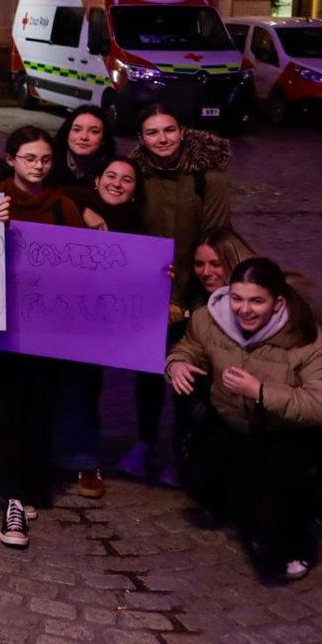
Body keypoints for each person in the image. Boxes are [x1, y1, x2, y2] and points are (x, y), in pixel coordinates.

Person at [167, 257, 322, 580]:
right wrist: (177, 364)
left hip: (284, 431)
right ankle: (245, 505)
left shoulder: (307, 340)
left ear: (277, 302)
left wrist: (261, 391)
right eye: (237, 298)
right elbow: (190, 347)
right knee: (197, 478)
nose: (244, 309)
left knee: (270, 552)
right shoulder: (208, 320)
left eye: (256, 301)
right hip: (232, 421)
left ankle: (298, 542)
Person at [0, 126, 86, 549]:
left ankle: (25, 482)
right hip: (0, 327)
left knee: (38, 407)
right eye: (29, 158)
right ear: (10, 159)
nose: (38, 166)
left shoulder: (64, 208)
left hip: (46, 331)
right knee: (2, 407)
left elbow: (85, 266)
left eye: (44, 159)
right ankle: (13, 496)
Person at [119, 103, 233, 483]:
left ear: (182, 131)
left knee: (191, 371)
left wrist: (182, 298)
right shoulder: (136, 177)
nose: (162, 139)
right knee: (147, 371)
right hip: (149, 288)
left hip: (197, 287)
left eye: (168, 130)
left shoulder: (208, 177)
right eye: (152, 133)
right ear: (141, 138)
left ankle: (184, 450)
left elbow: (213, 241)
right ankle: (145, 443)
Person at [54, 155, 144, 501]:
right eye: (111, 175)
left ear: (135, 191)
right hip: (57, 313)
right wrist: (84, 211)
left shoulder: (138, 225)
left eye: (127, 179)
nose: (117, 183)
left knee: (85, 388)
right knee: (49, 384)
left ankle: (83, 459)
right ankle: (47, 454)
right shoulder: (73, 205)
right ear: (96, 180)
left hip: (97, 323)